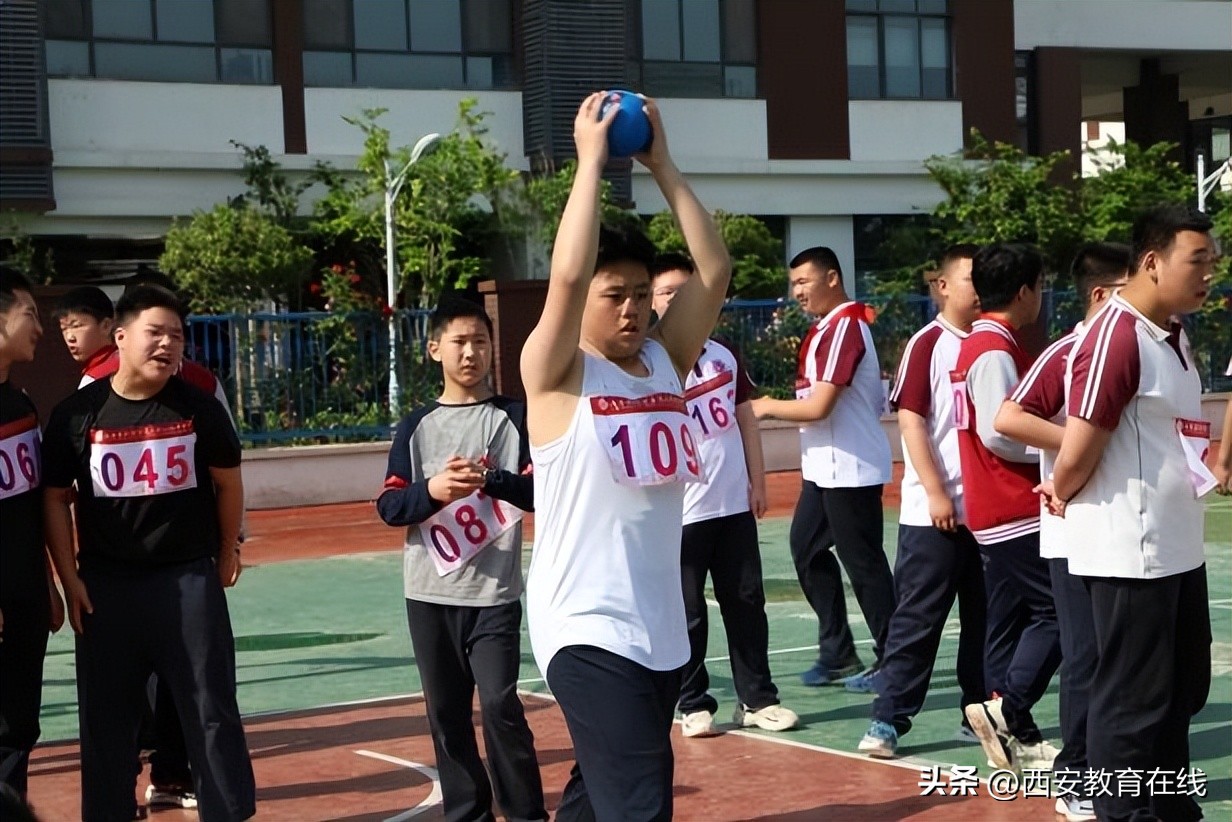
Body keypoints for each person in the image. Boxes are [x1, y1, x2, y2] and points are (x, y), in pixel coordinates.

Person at [520, 92, 730, 821]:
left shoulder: (667, 359)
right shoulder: (556, 372)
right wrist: (588, 166)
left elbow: (715, 267)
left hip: (661, 628)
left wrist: (664, 165)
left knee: (597, 797)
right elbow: (568, 277)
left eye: (643, 295)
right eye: (617, 295)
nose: (633, 309)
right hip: (585, 624)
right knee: (640, 804)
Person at [42, 285, 255, 822]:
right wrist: (69, 579)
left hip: (186, 583)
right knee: (107, 721)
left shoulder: (200, 409)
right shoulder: (77, 414)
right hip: (106, 588)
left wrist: (227, 548)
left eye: (177, 336)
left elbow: (228, 483)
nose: (167, 345)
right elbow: (53, 499)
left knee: (210, 710)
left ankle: (226, 812)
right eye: (154, 333)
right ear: (120, 337)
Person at [1039, 205, 1216, 822]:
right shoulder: (1115, 334)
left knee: (1180, 691)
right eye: (1198, 261)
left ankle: (1168, 808)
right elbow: (1083, 437)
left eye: (1213, 263)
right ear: (1151, 262)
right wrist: (1061, 487)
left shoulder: (1172, 332)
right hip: (1130, 551)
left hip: (1176, 546)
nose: (1209, 275)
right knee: (1132, 703)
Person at [375, 296, 545, 822]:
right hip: (427, 595)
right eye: (459, 342)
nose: (471, 352)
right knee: (446, 715)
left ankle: (526, 813)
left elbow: (540, 491)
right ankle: (468, 811)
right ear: (434, 350)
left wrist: (491, 479)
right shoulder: (416, 426)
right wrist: (435, 489)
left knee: (499, 704)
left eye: (480, 342)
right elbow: (390, 504)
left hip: (494, 595)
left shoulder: (517, 417)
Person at [994, 242, 1129, 821]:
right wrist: (1080, 446)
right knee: (1085, 657)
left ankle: (1124, 768)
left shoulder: (1156, 346)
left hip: (1131, 532)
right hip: (1073, 530)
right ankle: (1075, 776)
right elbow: (1008, 417)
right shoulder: (1068, 351)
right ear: (1102, 295)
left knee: (1132, 660)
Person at [649, 252, 798, 739]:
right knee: (687, 612)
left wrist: (758, 481)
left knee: (746, 602)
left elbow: (746, 420)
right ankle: (692, 702)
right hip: (679, 513)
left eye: (683, 290)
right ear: (651, 301)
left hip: (731, 505)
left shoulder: (724, 354)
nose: (675, 298)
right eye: (666, 291)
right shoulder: (648, 362)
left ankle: (757, 699)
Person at [857, 245, 987, 758]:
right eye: (972, 278)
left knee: (990, 620)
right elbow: (911, 420)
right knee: (918, 620)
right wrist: (936, 491)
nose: (980, 288)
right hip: (933, 514)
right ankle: (888, 720)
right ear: (943, 287)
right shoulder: (928, 344)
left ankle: (979, 714)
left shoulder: (998, 342)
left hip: (988, 514)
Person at [750, 247, 895, 690]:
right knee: (807, 549)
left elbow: (820, 407)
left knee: (864, 566)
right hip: (824, 469)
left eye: (804, 282)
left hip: (850, 469)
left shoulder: (847, 326)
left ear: (832, 278)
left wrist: (762, 407)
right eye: (793, 284)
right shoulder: (825, 329)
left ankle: (895, 660)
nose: (797, 292)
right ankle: (838, 653)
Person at [952, 243, 1061, 773]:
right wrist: (1061, 443)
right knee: (1058, 612)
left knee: (1007, 621)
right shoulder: (995, 349)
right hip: (1011, 504)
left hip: (992, 506)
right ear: (1024, 291)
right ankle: (1008, 709)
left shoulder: (979, 344)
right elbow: (1001, 430)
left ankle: (1015, 733)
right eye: (1041, 285)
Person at [0, 267, 64, 800]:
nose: (39, 328)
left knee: (19, 727)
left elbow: (28, 507)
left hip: (24, 598)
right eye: (29, 315)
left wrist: (45, 581)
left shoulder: (21, 406)